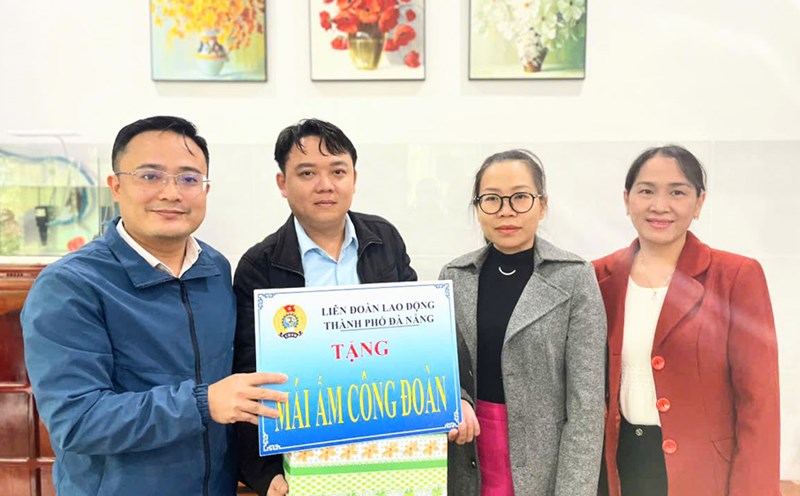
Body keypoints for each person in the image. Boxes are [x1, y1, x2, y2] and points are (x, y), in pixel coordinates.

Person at [21, 116, 288, 496]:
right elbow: (77, 420)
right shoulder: (70, 286)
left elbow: (238, 385)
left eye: (189, 178)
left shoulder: (215, 269)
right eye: (150, 176)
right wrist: (202, 403)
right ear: (115, 185)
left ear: (206, 189)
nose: (172, 193)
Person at [233, 118, 421, 496]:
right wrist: (264, 474)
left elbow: (418, 336)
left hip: (388, 445)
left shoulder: (384, 239)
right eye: (307, 173)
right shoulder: (260, 265)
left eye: (338, 171)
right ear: (282, 184)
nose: (325, 185)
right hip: (303, 458)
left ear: (354, 178)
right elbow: (249, 374)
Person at [593, 145, 780, 496]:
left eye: (677, 192)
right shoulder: (599, 277)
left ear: (698, 203)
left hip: (704, 473)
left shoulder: (736, 276)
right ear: (626, 199)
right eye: (646, 191)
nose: (660, 205)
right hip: (621, 465)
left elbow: (758, 401)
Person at [441, 149, 607, 496]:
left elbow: (586, 405)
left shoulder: (574, 277)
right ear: (477, 207)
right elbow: (443, 369)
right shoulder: (455, 277)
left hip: (544, 463)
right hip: (467, 452)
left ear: (542, 205)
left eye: (520, 197)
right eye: (492, 199)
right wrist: (459, 398)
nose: (506, 210)